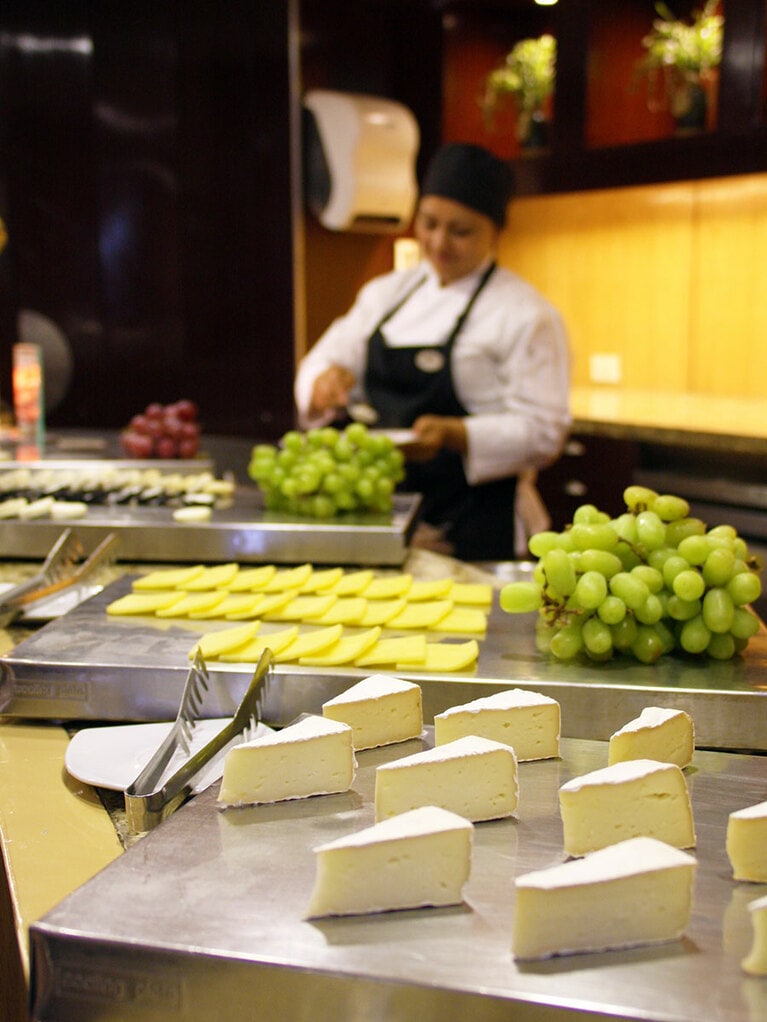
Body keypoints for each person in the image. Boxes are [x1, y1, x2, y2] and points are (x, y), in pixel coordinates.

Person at [294, 142, 570, 561]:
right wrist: (322, 383)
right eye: (428, 223)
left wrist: (456, 434)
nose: (439, 242)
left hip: (479, 522)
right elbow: (323, 360)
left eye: (461, 231)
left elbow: (544, 432)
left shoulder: (526, 313)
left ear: (496, 232)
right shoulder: (386, 293)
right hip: (384, 516)